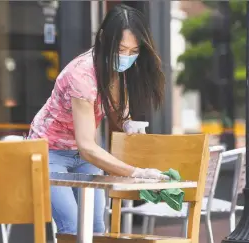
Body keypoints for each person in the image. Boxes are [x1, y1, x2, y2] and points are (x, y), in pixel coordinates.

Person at [28, 4, 168, 234]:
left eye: (134, 52)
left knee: (95, 228)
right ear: (104, 38)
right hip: (49, 153)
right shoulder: (81, 75)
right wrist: (136, 172)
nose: (126, 57)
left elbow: (116, 106)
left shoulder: (114, 70)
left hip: (83, 155)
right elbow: (86, 147)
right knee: (73, 228)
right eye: (121, 49)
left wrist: (126, 123)